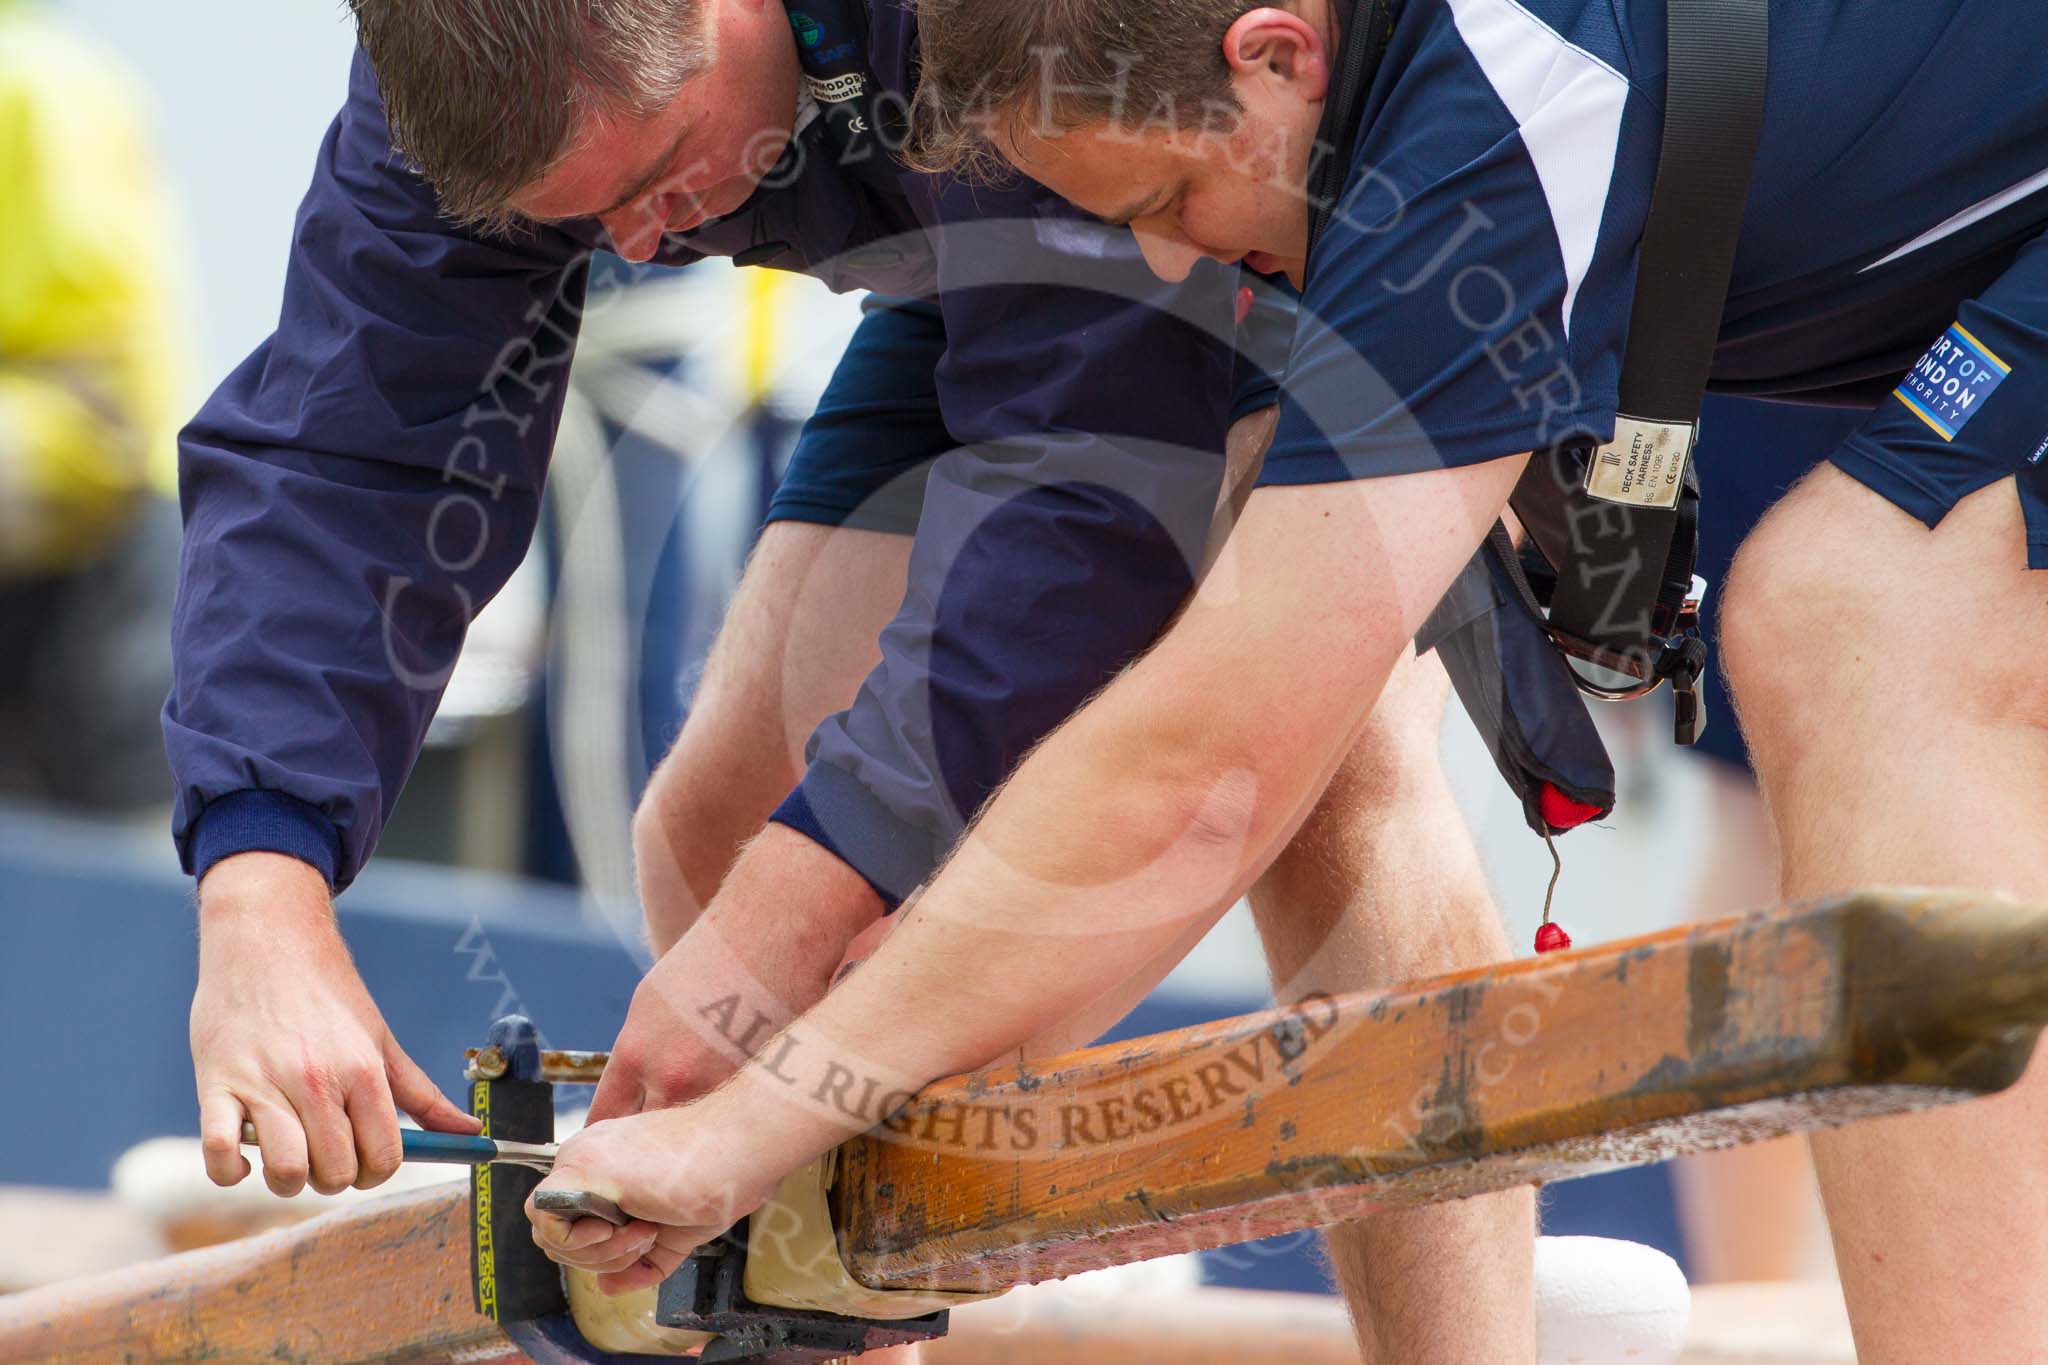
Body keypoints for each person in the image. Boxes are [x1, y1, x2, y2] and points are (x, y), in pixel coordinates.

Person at [534, 2, 2048, 1361]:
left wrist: (773, 1108)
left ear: (1275, 52)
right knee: (746, 787)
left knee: (1856, 615)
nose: (1174, 262)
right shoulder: (1315, 125)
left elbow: (1209, 773)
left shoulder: (1502, 115)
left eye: (1176, 201)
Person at [169, 2, 1539, 1359]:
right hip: (981, 245)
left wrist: (805, 901)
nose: (638, 249)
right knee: (719, 823)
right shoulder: (456, 60)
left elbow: (1093, 508)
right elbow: (349, 450)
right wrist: (259, 893)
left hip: (1246, 201)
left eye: (656, 181)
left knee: (1315, 750)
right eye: (577, 223)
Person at [0, 0, 186, 811]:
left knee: (117, 895)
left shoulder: (39, 90)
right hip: (44, 570)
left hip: (106, 570)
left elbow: (99, 410)